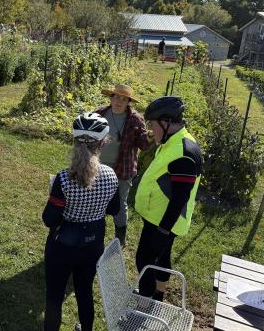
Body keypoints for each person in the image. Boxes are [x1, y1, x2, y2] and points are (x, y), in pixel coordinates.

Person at [43, 113, 119, 331]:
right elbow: (113, 209)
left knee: (55, 297)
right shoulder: (111, 176)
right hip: (92, 244)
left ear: (74, 140)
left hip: (62, 246)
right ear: (102, 142)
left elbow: (49, 219)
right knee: (85, 291)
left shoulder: (64, 178)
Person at [134, 96, 202, 302]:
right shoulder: (173, 141)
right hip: (158, 217)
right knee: (162, 258)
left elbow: (180, 198)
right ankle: (158, 296)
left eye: (153, 125)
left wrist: (162, 232)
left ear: (166, 122)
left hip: (163, 223)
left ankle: (144, 304)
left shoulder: (184, 153)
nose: (150, 130)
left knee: (145, 261)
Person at [95, 84, 153, 246]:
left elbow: (144, 144)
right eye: (116, 97)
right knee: (96, 199)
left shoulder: (135, 119)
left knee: (120, 203)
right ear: (111, 98)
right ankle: (94, 233)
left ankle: (120, 239)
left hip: (122, 169)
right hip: (96, 166)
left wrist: (151, 135)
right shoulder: (99, 114)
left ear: (129, 102)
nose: (119, 101)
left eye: (124, 99)